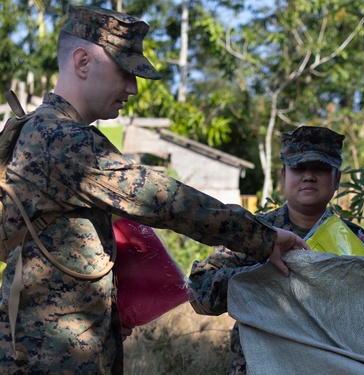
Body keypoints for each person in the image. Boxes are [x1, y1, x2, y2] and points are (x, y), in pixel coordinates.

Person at [0, 5, 307, 374]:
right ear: (82, 62)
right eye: (125, 72)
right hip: (48, 357)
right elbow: (166, 201)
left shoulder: (40, 129)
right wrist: (263, 237)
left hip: (54, 344)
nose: (132, 88)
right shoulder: (60, 140)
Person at [188, 126, 364, 375]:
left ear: (337, 180)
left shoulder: (359, 243)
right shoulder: (252, 234)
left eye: (320, 168)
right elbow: (200, 295)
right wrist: (260, 275)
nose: (309, 176)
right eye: (298, 168)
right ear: (283, 176)